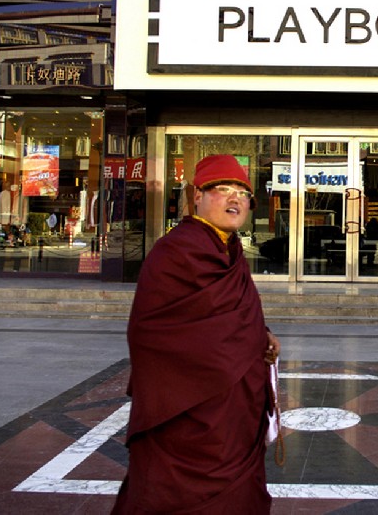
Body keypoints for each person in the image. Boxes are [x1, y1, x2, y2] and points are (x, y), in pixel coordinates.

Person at [113, 155, 280, 514]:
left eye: (242, 193)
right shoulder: (176, 250)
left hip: (234, 409)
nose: (234, 199)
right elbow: (150, 333)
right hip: (188, 409)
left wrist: (259, 334)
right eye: (221, 190)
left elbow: (225, 314)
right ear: (196, 197)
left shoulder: (230, 249)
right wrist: (236, 346)